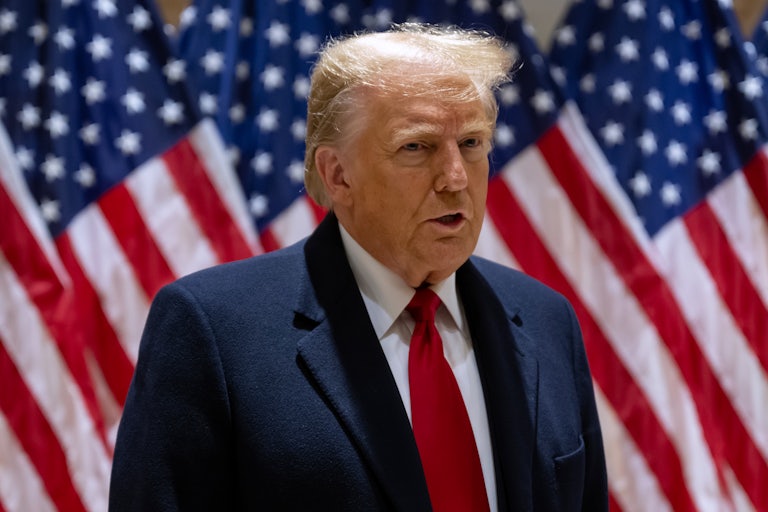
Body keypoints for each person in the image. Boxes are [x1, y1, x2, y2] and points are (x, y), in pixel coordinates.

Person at [109, 23, 608, 511]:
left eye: (472, 143)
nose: (456, 177)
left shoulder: (546, 320)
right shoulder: (212, 332)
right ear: (338, 174)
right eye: (417, 146)